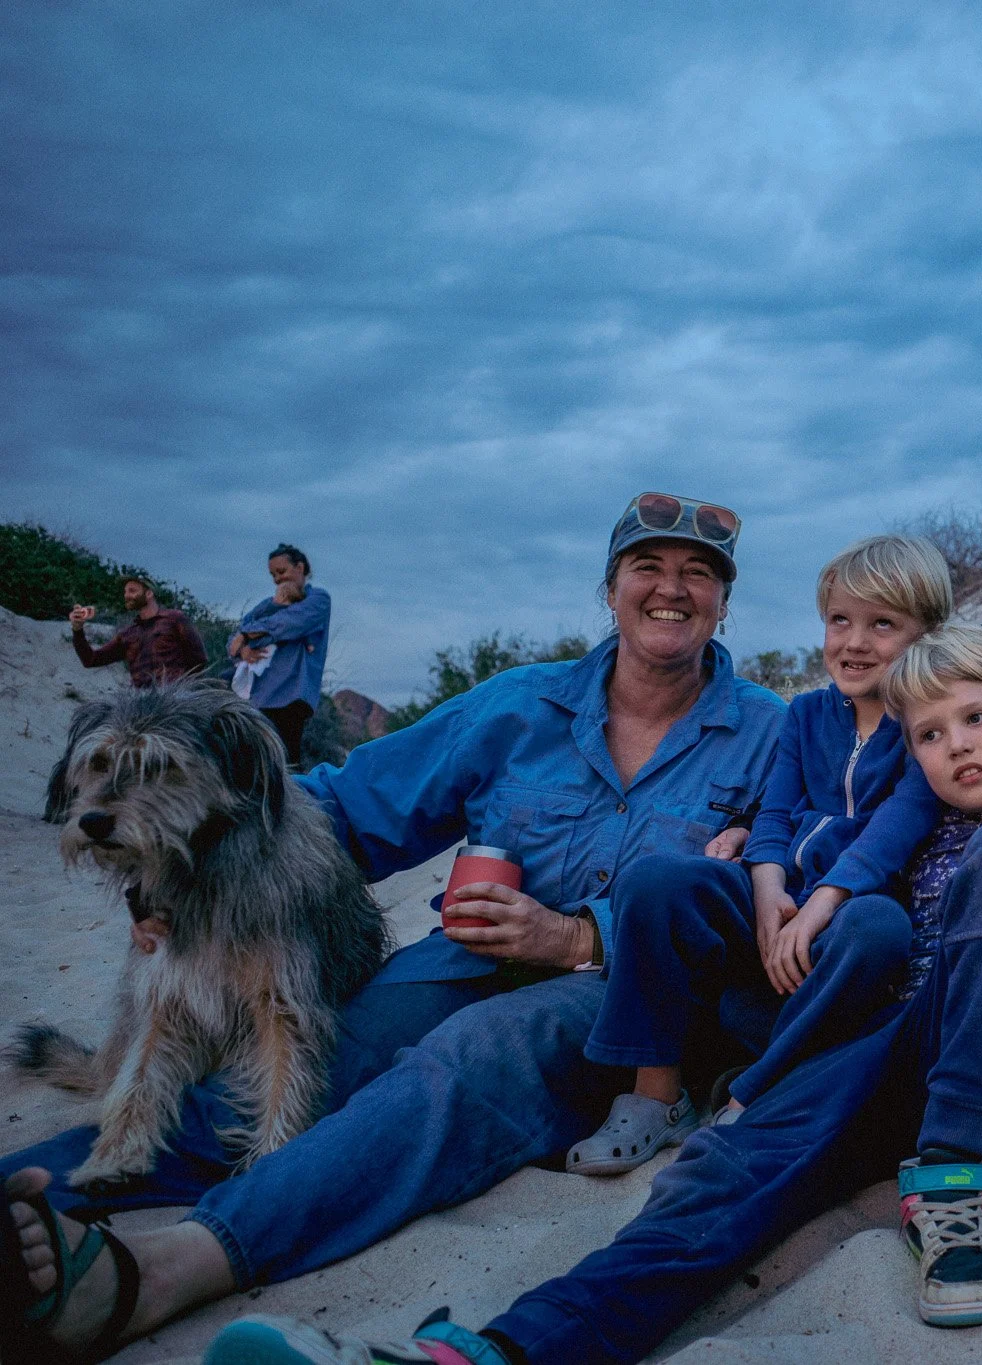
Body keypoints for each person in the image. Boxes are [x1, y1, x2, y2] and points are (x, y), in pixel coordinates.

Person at [198, 624, 982, 1365]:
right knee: (724, 1189)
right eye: (931, 734)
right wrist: (751, 853)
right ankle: (496, 1350)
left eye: (977, 720)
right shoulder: (906, 835)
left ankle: (952, 1188)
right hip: (898, 1052)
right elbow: (826, 888)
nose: (957, 746)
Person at [1, 491, 785, 1360]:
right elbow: (341, 808)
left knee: (455, 1067)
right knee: (318, 1063)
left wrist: (577, 935)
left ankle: (164, 1268)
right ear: (610, 588)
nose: (672, 588)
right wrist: (172, 874)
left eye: (699, 573)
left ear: (723, 601)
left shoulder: (769, 733)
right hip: (463, 959)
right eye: (648, 567)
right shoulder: (519, 705)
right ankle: (31, 1197)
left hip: (620, 1001)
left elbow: (777, 891)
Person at [564, 533, 949, 1175]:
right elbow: (773, 813)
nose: (854, 642)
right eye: (840, 620)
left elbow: (896, 829)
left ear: (926, 635)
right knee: (657, 880)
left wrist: (819, 906)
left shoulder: (927, 724)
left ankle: (753, 1091)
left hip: (850, 915)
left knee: (878, 926)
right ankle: (655, 1095)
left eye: (883, 624)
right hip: (776, 900)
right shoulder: (807, 715)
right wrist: (768, 892)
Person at [228, 544, 331, 768]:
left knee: (286, 763)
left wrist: (247, 635)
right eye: (273, 575)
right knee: (256, 761)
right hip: (259, 695)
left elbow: (289, 624)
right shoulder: (267, 605)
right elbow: (233, 641)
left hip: (292, 693)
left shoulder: (318, 599)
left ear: (300, 568)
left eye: (282, 572)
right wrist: (243, 648)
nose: (277, 579)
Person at [66, 575, 208, 687]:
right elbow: (91, 660)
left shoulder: (174, 619)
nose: (126, 595)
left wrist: (182, 688)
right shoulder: (128, 635)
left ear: (149, 594)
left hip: (175, 699)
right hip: (141, 703)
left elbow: (199, 659)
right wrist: (77, 629)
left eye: (132, 591)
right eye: (125, 592)